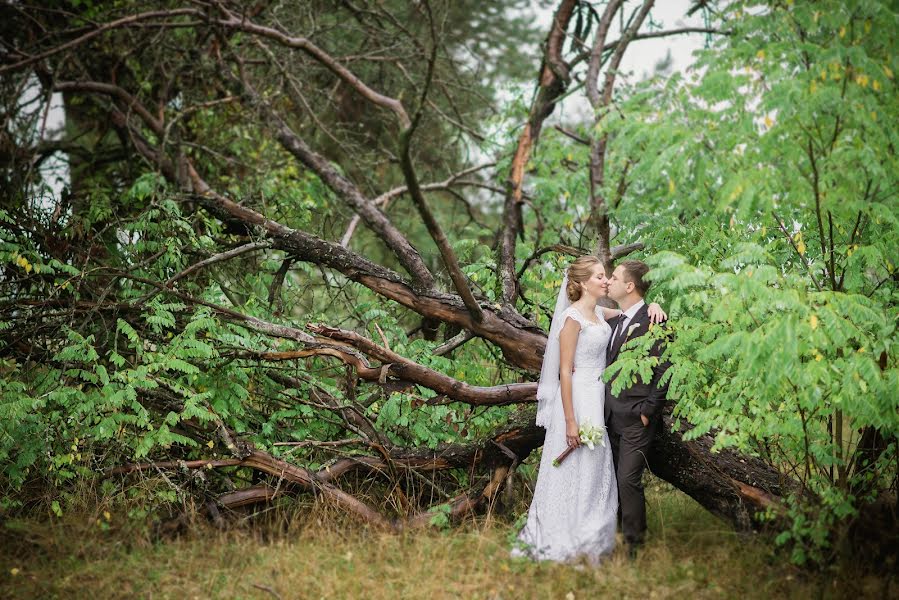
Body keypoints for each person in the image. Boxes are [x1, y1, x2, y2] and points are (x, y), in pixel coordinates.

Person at [512, 256, 665, 563]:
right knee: (574, 468)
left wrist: (655, 305)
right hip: (579, 400)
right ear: (582, 283)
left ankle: (596, 538)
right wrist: (570, 421)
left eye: (608, 276)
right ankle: (564, 535)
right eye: (599, 276)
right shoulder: (572, 318)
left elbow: (631, 314)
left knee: (597, 470)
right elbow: (564, 372)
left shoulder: (600, 312)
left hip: (602, 401)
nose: (605, 281)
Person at [604, 259, 671, 558]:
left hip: (636, 418)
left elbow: (665, 369)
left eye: (615, 277)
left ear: (629, 286)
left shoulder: (655, 321)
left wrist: (648, 411)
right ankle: (615, 536)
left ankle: (634, 546)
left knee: (628, 479)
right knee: (613, 479)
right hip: (608, 416)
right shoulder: (617, 320)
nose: (609, 281)